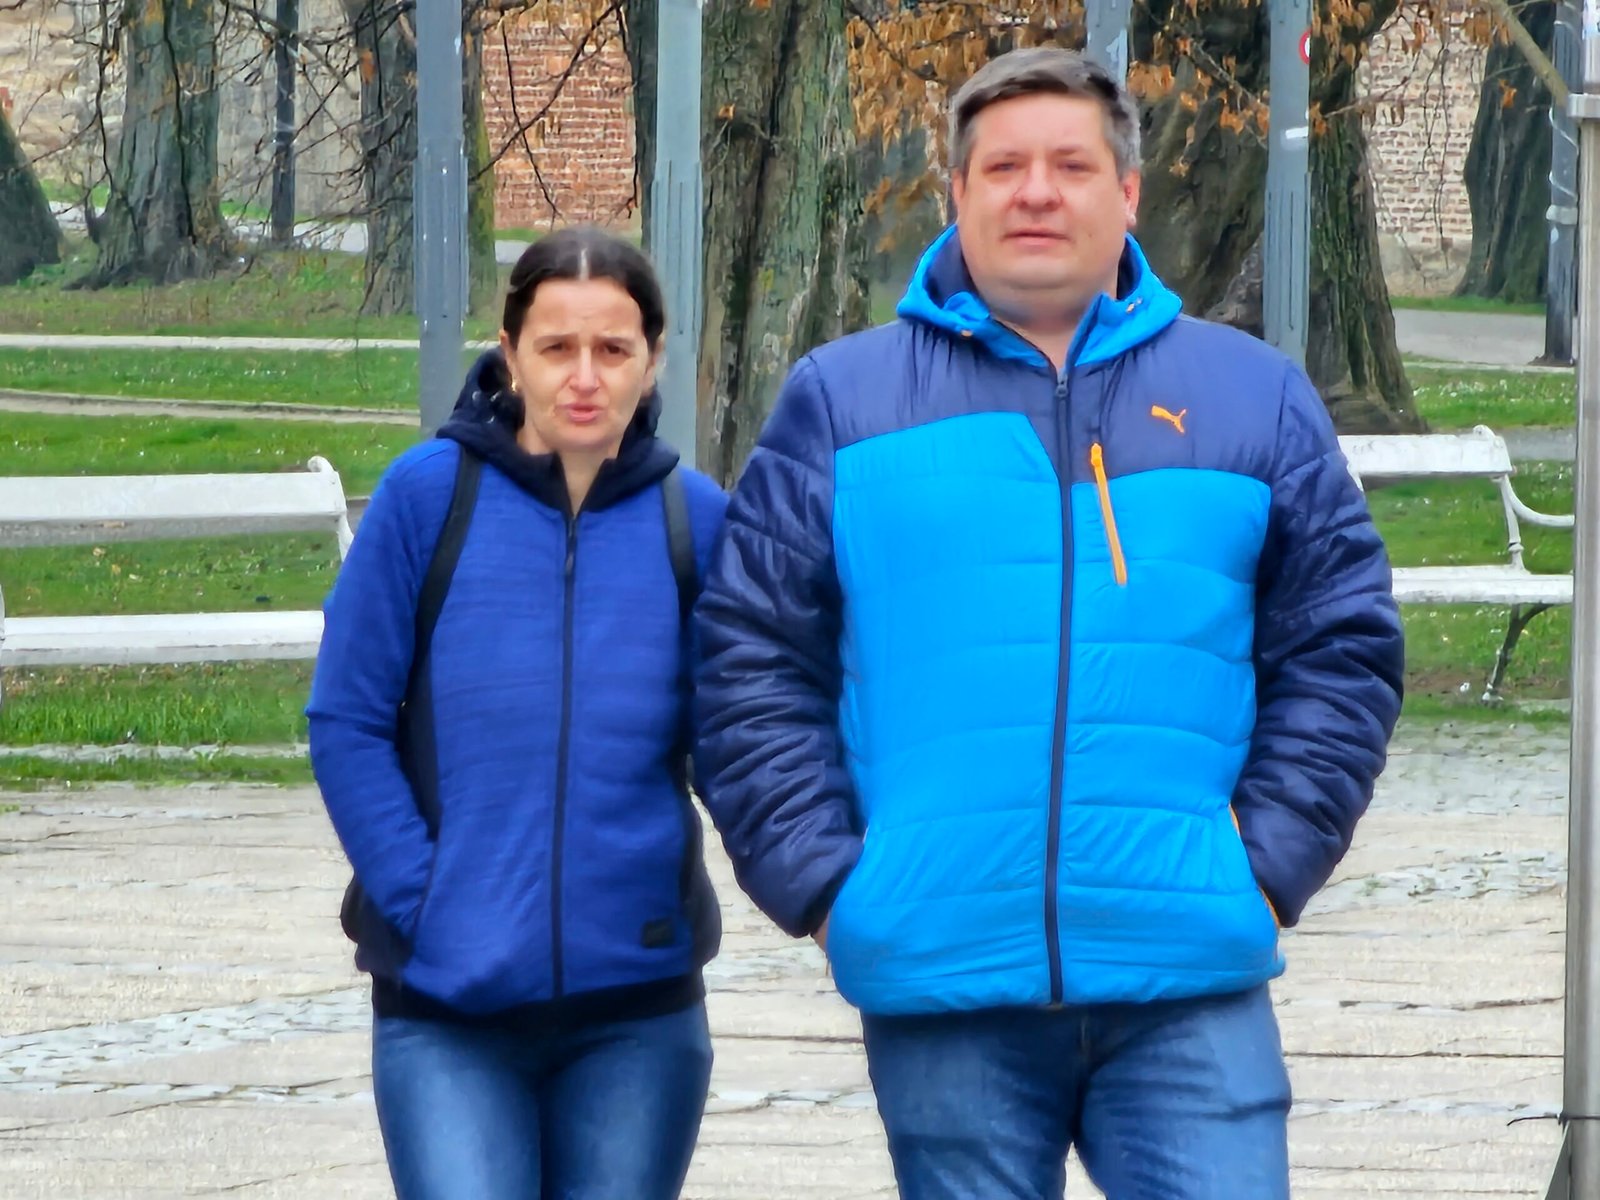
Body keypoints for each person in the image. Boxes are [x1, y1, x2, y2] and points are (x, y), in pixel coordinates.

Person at [693, 46, 1404, 1200]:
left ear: (1126, 193)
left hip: (1186, 977)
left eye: (1070, 166)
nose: (1036, 192)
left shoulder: (1252, 397)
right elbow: (749, 662)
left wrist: (1264, 867)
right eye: (1003, 167)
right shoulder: (841, 400)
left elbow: (1341, 651)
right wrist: (829, 889)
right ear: (956, 192)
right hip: (945, 977)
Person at [307, 226, 726, 1200]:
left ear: (652, 359)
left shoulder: (695, 521)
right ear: (510, 351)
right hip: (448, 1008)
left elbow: (740, 743)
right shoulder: (427, 500)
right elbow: (346, 720)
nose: (584, 376)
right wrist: (425, 900)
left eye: (612, 349)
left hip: (640, 1013)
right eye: (556, 347)